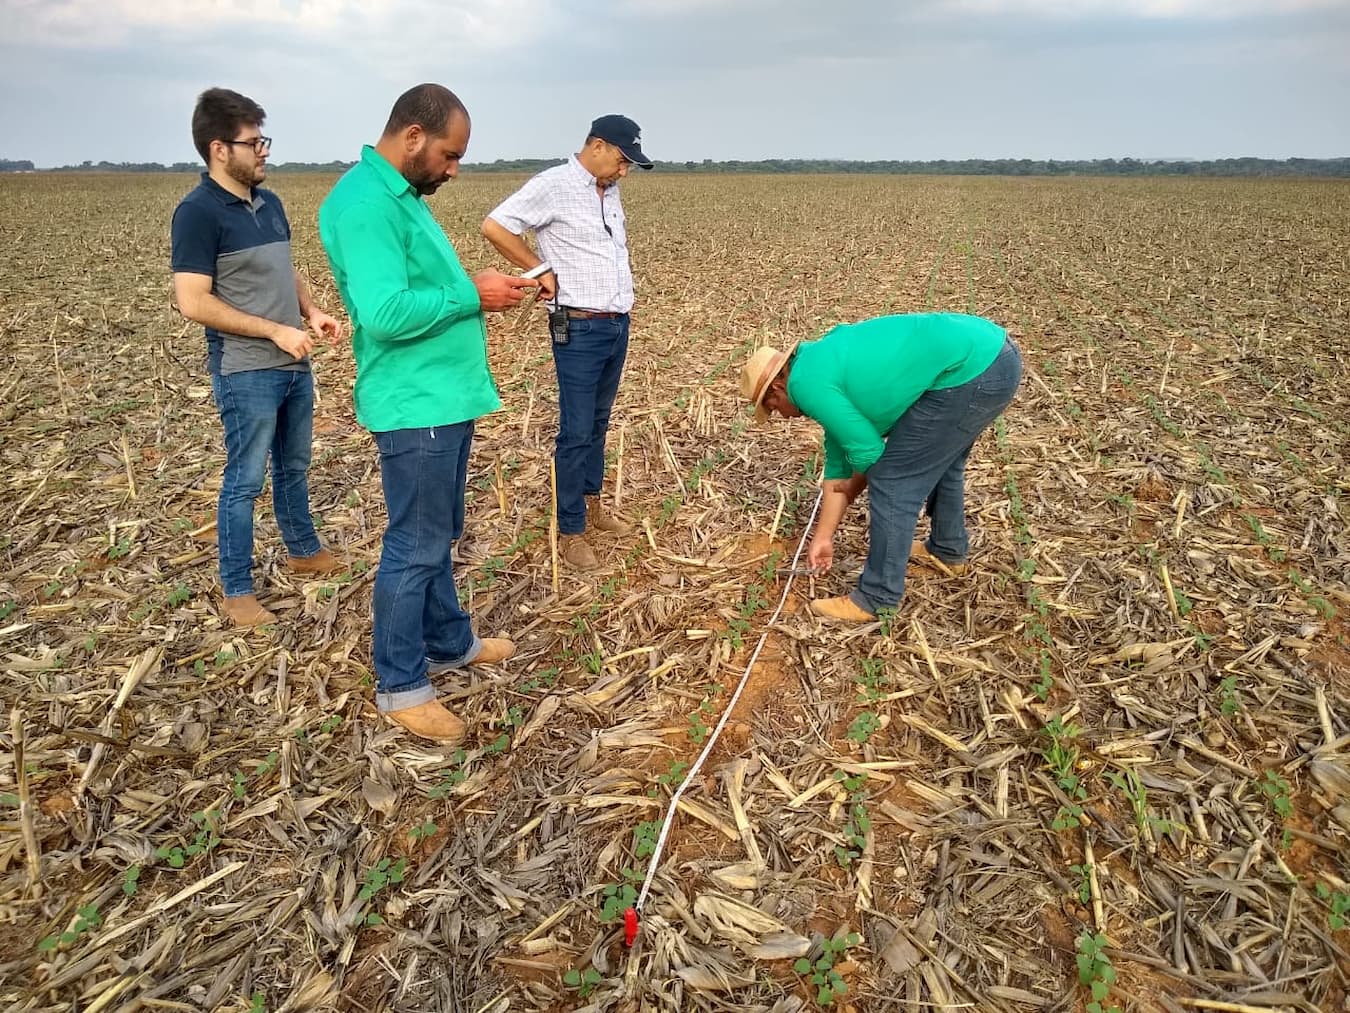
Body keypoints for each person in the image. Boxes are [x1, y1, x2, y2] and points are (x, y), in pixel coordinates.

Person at [318, 83, 538, 743]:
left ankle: (449, 641)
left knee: (437, 532)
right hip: (416, 405)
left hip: (440, 396)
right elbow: (384, 314)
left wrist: (470, 292)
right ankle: (401, 685)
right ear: (413, 136)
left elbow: (421, 293)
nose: (453, 168)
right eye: (449, 154)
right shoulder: (365, 205)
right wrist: (472, 292)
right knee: (415, 543)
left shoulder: (398, 196)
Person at [170, 87, 346, 629]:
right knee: (244, 479)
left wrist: (310, 310)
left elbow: (282, 268)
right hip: (245, 370)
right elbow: (193, 301)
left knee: (293, 467)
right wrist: (274, 331)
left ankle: (303, 550)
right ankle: (237, 589)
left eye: (264, 139)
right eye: (254, 142)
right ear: (220, 149)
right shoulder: (197, 213)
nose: (264, 150)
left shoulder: (269, 204)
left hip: (293, 362)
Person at [739, 312, 1022, 623]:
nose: (780, 415)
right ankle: (947, 549)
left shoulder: (805, 383)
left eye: (771, 408)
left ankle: (877, 598)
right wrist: (823, 537)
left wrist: (863, 485)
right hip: (993, 353)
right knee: (944, 463)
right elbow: (841, 466)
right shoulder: (818, 362)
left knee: (892, 481)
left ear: (777, 388)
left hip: (971, 371)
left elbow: (871, 455)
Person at [481, 114, 653, 571]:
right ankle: (571, 528)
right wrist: (540, 270)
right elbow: (496, 226)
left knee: (598, 423)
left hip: (616, 323)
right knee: (575, 430)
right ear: (597, 146)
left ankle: (594, 505)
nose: (624, 171)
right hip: (578, 327)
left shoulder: (609, 193)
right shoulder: (554, 184)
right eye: (621, 160)